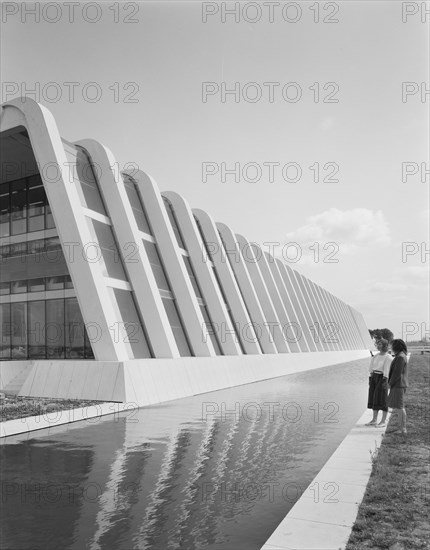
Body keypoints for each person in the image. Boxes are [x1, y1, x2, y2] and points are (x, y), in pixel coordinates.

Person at [366, 339, 392, 427]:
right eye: (378, 344)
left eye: (381, 344)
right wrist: (371, 378)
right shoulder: (376, 356)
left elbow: (387, 370)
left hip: (382, 378)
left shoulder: (388, 357)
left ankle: (383, 421)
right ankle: (374, 420)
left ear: (385, 345)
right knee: (374, 397)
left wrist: (385, 381)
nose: (379, 345)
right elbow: (371, 367)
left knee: (383, 399)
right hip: (374, 377)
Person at [387, 339, 409, 435]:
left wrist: (390, 383)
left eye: (392, 346)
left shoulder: (400, 357)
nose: (391, 348)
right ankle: (401, 428)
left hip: (398, 384)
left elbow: (397, 373)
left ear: (396, 347)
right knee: (399, 406)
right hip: (399, 384)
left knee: (400, 407)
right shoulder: (401, 355)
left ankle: (402, 429)